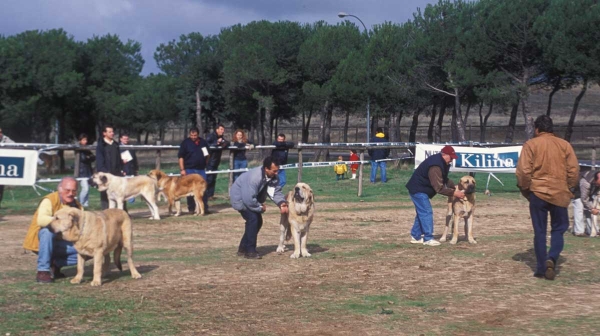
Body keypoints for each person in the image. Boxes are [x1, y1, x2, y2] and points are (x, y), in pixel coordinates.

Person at [516, 115, 579, 281]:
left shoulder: (531, 144)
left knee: (540, 231)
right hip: (560, 193)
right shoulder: (565, 145)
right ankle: (552, 257)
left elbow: (523, 171)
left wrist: (525, 189)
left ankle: (540, 268)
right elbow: (573, 170)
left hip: (538, 192)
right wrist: (570, 188)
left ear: (537, 129)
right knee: (559, 229)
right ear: (552, 129)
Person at [22, 177, 81, 283]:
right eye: (67, 190)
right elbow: (41, 220)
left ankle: (55, 264)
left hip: (64, 241)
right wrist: (62, 222)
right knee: (47, 232)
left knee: (89, 249)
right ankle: (43, 271)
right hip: (41, 242)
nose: (70, 193)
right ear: (60, 189)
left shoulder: (77, 206)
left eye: (74, 190)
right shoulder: (49, 200)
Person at [230, 156, 288, 259]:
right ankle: (250, 251)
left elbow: (275, 192)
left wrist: (281, 203)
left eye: (277, 170)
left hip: (250, 199)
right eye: (274, 171)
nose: (276, 173)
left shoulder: (273, 176)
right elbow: (248, 199)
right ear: (266, 169)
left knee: (257, 221)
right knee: (253, 220)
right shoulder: (255, 178)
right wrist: (259, 207)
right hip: (240, 199)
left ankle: (243, 249)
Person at [406, 145, 464, 246]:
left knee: (422, 213)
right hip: (418, 189)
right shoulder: (435, 166)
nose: (451, 160)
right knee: (426, 212)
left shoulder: (442, 162)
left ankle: (415, 236)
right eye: (451, 157)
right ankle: (428, 238)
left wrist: (453, 187)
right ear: (444, 155)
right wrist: (455, 193)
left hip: (420, 189)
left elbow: (444, 179)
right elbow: (439, 188)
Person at [178, 127, 210, 213]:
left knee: (203, 190)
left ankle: (204, 208)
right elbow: (181, 157)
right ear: (189, 134)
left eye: (195, 135)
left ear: (198, 134)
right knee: (189, 190)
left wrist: (204, 164)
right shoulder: (185, 143)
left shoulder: (203, 142)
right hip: (189, 169)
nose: (193, 137)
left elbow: (207, 155)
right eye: (191, 135)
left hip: (200, 170)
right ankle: (191, 208)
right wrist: (182, 169)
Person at [96, 125, 124, 210]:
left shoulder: (115, 144)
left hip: (117, 173)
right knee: (105, 194)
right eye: (110, 132)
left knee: (120, 193)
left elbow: (118, 158)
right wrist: (105, 173)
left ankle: (123, 213)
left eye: (112, 132)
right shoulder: (101, 145)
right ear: (104, 133)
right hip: (106, 174)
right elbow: (100, 161)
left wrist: (121, 169)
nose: (112, 133)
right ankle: (105, 212)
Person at [205, 125, 230, 201]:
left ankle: (210, 195)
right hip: (209, 160)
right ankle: (205, 194)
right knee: (209, 178)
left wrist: (222, 143)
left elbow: (227, 143)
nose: (223, 131)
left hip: (216, 161)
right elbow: (206, 145)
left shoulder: (221, 138)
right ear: (217, 130)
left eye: (223, 129)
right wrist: (216, 143)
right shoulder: (210, 136)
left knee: (213, 178)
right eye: (221, 129)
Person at [573, 170, 600, 237]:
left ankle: (591, 230)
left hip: (590, 192)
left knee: (590, 210)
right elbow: (584, 199)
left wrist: (594, 207)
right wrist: (592, 208)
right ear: (595, 180)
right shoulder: (585, 182)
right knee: (579, 207)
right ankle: (579, 232)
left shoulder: (597, 182)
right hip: (579, 192)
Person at [77, 134, 95, 207]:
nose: (85, 141)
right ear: (80, 141)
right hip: (82, 172)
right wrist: (88, 158)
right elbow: (83, 159)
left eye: (86, 140)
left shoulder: (87, 149)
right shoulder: (79, 149)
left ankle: (86, 203)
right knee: (85, 188)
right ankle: (80, 203)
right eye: (84, 140)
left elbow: (93, 157)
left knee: (88, 188)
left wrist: (89, 157)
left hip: (88, 171)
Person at [120, 134, 138, 205]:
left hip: (131, 169)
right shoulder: (118, 147)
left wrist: (136, 169)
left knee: (132, 185)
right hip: (123, 169)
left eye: (127, 139)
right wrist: (121, 162)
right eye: (124, 139)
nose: (126, 140)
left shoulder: (131, 147)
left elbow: (135, 159)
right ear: (121, 139)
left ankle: (131, 199)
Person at [0, 127, 15, 209]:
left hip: (2, 169)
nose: (0, 134)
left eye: (0, 132)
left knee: (0, 189)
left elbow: (15, 146)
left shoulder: (6, 139)